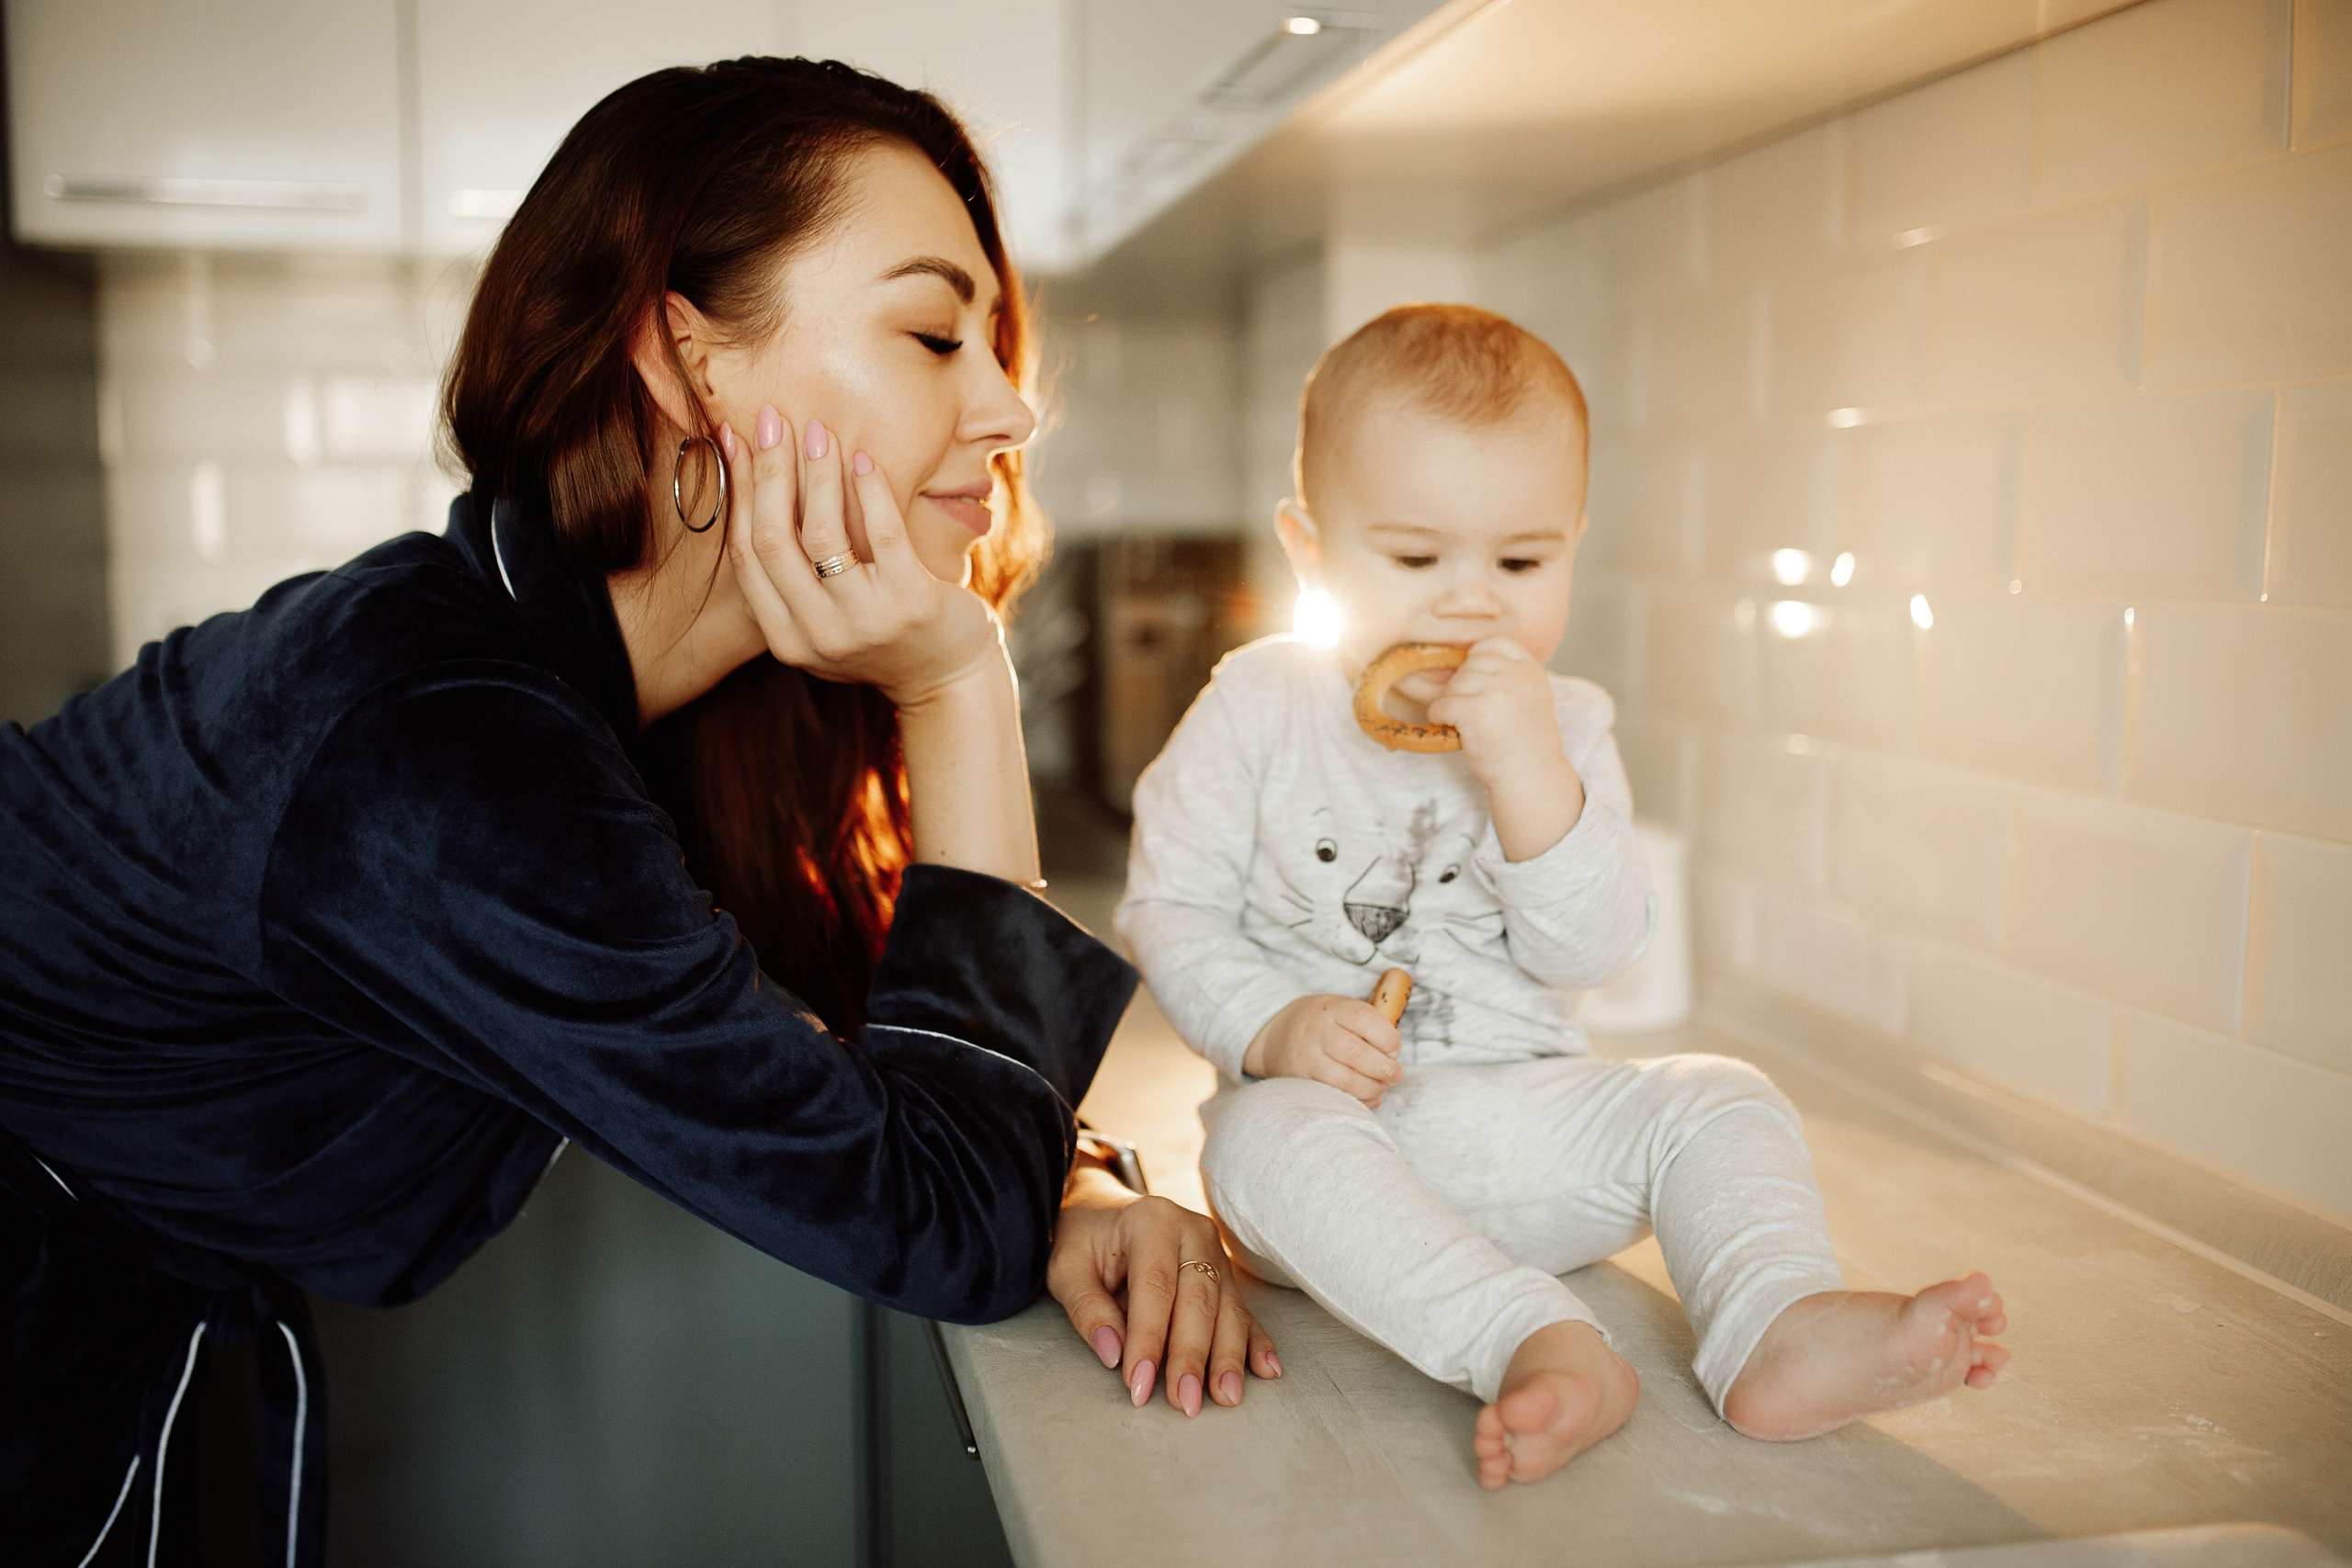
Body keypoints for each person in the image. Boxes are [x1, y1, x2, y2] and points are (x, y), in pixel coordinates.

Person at [0, 58, 1272, 1567]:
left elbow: (872, 1069)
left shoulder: (628, 689)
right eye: (936, 331)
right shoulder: (438, 746)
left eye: (996, 340)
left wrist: (1071, 1174)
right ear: (683, 361)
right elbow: (937, 1212)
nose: (1009, 405)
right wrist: (961, 691)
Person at [1115, 303, 2007, 1489]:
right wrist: (1270, 1032)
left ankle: (1773, 1324)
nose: (1472, 601)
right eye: (1418, 558)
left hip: (1535, 1132)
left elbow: (1593, 952)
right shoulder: (1256, 704)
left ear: (1573, 545)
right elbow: (1168, 908)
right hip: (1336, 1152)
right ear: (1310, 548)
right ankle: (1525, 1336)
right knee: (1254, 1145)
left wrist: (1530, 770)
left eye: (1522, 562)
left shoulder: (1568, 724)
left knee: (1714, 1095)